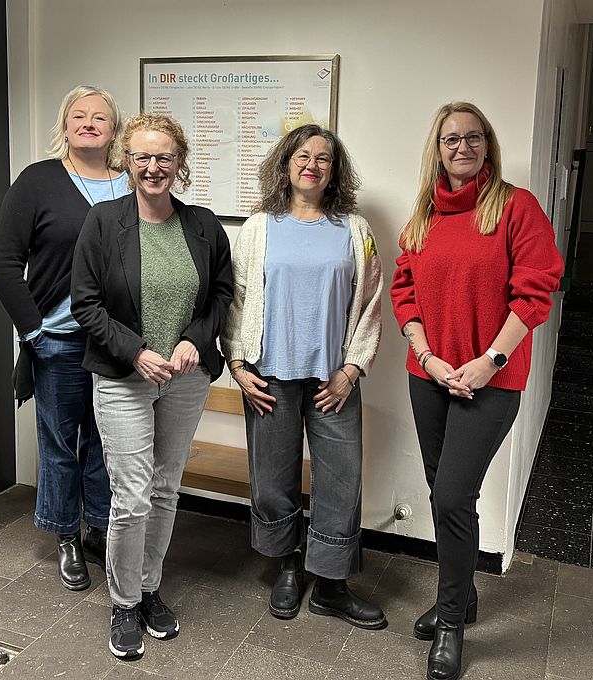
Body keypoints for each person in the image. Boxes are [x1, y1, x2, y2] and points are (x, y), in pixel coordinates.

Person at [390, 102, 563, 680]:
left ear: (487, 144)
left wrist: (490, 361)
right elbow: (404, 291)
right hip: (430, 376)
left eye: (472, 137)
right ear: (437, 150)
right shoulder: (424, 215)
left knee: (451, 494)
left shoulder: (516, 208)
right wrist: (426, 356)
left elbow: (535, 292)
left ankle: (450, 626)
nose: (461, 147)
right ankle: (460, 597)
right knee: (447, 493)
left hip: (491, 380)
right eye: (450, 139)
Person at [71, 113, 233, 660]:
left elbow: (221, 293)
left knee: (165, 488)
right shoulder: (102, 222)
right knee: (132, 494)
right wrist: (136, 351)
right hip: (125, 377)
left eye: (164, 156)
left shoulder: (203, 226)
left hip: (185, 379)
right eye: (142, 156)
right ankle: (123, 603)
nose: (153, 166)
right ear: (127, 161)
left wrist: (194, 340)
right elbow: (85, 304)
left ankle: (147, 588)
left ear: (179, 162)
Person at [220, 124, 386, 629]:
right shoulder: (258, 228)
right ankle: (288, 564)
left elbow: (371, 302)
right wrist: (237, 365)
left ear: (335, 171)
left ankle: (331, 583)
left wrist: (352, 370)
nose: (312, 165)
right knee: (273, 479)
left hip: (333, 380)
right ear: (286, 164)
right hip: (268, 376)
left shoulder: (354, 229)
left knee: (341, 480)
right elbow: (237, 299)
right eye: (303, 156)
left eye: (324, 158)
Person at [0, 85, 129, 592]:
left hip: (119, 342)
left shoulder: (131, 181)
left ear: (114, 130)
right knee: (61, 444)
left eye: (100, 117)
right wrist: (34, 332)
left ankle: (99, 529)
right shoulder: (38, 181)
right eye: (79, 115)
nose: (89, 123)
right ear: (65, 125)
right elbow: (3, 264)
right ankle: (66, 533)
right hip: (61, 340)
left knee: (106, 442)